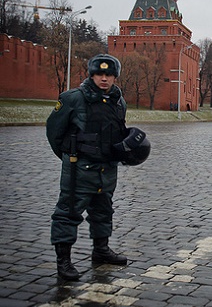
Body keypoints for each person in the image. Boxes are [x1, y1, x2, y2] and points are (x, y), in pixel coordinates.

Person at [47, 54, 136, 281]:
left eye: (108, 75)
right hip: (79, 169)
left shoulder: (119, 101)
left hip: (107, 168)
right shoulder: (72, 99)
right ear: (92, 74)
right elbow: (55, 133)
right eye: (99, 74)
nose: (104, 79)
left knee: (103, 211)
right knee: (68, 213)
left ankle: (101, 250)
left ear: (115, 77)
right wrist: (69, 157)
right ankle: (64, 261)